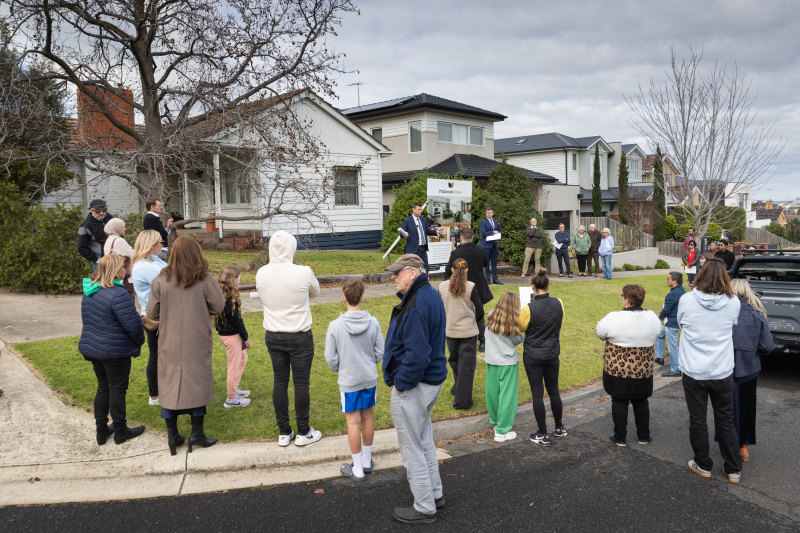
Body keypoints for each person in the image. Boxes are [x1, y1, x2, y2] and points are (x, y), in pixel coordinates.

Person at [382, 254, 447, 524]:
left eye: (397, 272)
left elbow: (417, 355)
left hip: (416, 385)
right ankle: (434, 494)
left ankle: (424, 507)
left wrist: (401, 385)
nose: (393, 277)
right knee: (423, 440)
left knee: (412, 447)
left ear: (412, 272)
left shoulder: (417, 304)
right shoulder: (428, 294)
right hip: (430, 381)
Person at [146, 236, 225, 455]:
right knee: (197, 381)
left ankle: (173, 436)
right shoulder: (205, 279)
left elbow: (151, 313)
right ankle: (196, 434)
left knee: (170, 381)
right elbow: (218, 306)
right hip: (197, 338)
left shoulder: (160, 280)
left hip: (169, 339)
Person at [677, 258, 742, 483]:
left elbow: (682, 323)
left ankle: (703, 464)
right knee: (725, 419)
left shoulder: (687, 300)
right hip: (722, 370)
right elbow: (732, 324)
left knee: (698, 419)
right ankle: (734, 468)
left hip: (694, 370)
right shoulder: (733, 302)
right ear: (725, 277)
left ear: (700, 274)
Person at [255, 230, 322, 447]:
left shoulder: (262, 273)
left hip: (274, 335)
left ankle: (284, 431)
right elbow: (316, 292)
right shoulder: (303, 272)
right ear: (292, 248)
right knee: (301, 383)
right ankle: (303, 431)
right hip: (299, 335)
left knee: (280, 382)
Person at [79, 254, 145, 446]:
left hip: (94, 349)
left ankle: (101, 430)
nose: (126, 270)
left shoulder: (89, 291)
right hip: (114, 351)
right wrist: (139, 341)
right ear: (117, 270)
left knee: (103, 387)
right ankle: (120, 430)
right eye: (124, 267)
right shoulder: (118, 293)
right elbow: (133, 326)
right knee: (117, 389)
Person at [324, 278, 384, 482]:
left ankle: (358, 467)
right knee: (368, 418)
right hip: (368, 378)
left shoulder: (335, 326)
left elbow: (330, 357)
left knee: (353, 422)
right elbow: (380, 352)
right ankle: (366, 460)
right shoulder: (373, 322)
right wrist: (370, 362)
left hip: (349, 380)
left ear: (343, 298)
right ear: (363, 297)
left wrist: (339, 368)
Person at [596, 284, 662, 447]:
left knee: (619, 401)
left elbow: (600, 332)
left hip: (618, 370)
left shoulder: (614, 317)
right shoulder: (652, 317)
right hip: (642, 370)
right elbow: (658, 332)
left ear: (626, 300)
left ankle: (620, 437)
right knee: (641, 401)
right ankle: (643, 436)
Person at [728, 279, 776, 463]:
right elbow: (767, 345)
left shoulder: (724, 313)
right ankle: (743, 446)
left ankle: (728, 442)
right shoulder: (757, 314)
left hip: (726, 367)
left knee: (726, 408)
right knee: (747, 408)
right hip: (748, 368)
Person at [521, 268, 567, 447]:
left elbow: (521, 327)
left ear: (532, 288)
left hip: (533, 354)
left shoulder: (528, 308)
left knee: (537, 393)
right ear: (548, 285)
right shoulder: (559, 303)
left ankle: (542, 432)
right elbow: (560, 324)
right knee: (554, 390)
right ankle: (559, 427)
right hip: (552, 352)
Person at [437, 258, 484, 410]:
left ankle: (458, 388)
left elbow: (438, 309)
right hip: (468, 331)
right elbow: (480, 310)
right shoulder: (471, 287)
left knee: (456, 361)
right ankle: (463, 401)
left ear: (452, 269)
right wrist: (473, 319)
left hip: (450, 330)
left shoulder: (442, 287)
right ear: (467, 270)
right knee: (466, 366)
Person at [130, 230, 167, 406]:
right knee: (156, 355)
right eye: (159, 242)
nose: (162, 245)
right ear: (150, 244)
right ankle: (154, 394)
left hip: (162, 312)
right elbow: (169, 282)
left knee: (162, 354)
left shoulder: (154, 260)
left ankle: (163, 388)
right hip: (154, 316)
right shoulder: (144, 266)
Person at [484, 291, 523, 442]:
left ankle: (495, 422)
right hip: (507, 362)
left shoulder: (491, 316)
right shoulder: (513, 322)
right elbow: (518, 340)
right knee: (508, 396)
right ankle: (502, 430)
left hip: (492, 360)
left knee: (493, 393)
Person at [445, 227, 492, 351]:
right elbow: (485, 264)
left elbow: (448, 270)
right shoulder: (481, 250)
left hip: (462, 286)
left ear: (461, 238)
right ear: (473, 237)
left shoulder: (456, 253)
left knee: (463, 311)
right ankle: (482, 340)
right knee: (479, 313)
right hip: (478, 285)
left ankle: (471, 337)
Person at [214, 266, 251, 409]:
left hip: (229, 334)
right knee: (234, 365)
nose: (240, 279)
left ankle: (235, 389)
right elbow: (236, 319)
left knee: (243, 359)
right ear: (232, 279)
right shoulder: (228, 298)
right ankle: (231, 398)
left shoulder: (226, 294)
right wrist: (245, 337)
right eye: (239, 277)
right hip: (231, 335)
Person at [655, 271, 686, 376]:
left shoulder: (672, 294)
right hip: (675, 320)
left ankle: (675, 369)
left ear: (675, 281)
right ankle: (659, 357)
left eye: (668, 279)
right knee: (660, 334)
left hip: (672, 323)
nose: (667, 280)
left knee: (672, 347)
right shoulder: (681, 290)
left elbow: (667, 310)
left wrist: (659, 317)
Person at [401, 202, 439, 272]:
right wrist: (404, 234)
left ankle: (425, 280)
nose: (421, 211)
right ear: (413, 210)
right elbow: (402, 233)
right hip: (413, 249)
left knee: (425, 267)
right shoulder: (407, 221)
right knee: (413, 269)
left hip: (423, 248)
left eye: (421, 209)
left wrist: (437, 231)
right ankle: (414, 282)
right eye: (419, 209)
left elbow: (428, 231)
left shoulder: (423, 219)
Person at [103, 218, 135, 300]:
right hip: (124, 278)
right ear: (117, 228)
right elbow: (134, 255)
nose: (125, 228)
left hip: (112, 276)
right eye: (123, 227)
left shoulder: (109, 240)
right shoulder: (119, 241)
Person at [77, 199, 112, 270]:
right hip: (100, 263)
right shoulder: (86, 226)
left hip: (114, 259)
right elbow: (82, 248)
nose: (101, 213)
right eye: (98, 211)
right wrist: (97, 260)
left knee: (116, 281)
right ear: (91, 211)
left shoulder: (109, 219)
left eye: (104, 210)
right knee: (101, 281)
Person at [480, 207, 502, 284]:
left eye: (490, 213)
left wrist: (499, 234)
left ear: (493, 213)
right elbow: (483, 233)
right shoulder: (483, 222)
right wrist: (492, 232)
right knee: (486, 263)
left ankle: (495, 279)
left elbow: (499, 231)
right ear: (486, 214)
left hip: (494, 245)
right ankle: (488, 279)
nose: (489, 214)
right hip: (486, 245)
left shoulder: (496, 222)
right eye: (487, 213)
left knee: (494, 263)